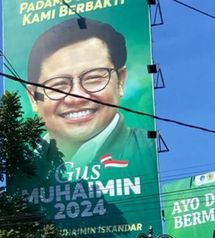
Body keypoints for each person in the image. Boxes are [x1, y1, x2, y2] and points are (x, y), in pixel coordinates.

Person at [26, 18, 154, 169]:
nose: (76, 97)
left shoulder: (150, 152)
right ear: (33, 97)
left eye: (93, 78)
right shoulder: (20, 169)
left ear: (120, 81)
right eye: (58, 85)